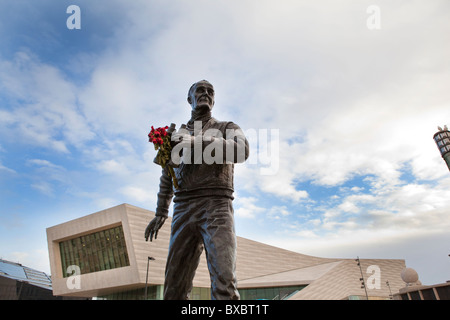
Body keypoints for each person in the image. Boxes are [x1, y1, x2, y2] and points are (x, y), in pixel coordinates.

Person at [145, 80, 249, 300]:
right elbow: (167, 173)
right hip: (183, 207)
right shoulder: (175, 135)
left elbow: (242, 150)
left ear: (214, 99)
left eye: (210, 92)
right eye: (200, 91)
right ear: (189, 99)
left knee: (224, 280)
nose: (205, 94)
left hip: (216, 206)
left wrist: (194, 141)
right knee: (174, 287)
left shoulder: (227, 127)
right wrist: (161, 212)